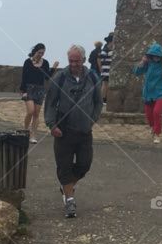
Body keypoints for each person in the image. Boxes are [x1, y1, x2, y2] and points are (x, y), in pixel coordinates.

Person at [44, 44, 103, 218]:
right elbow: (50, 103)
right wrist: (51, 125)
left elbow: (98, 102)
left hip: (84, 131)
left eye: (77, 61)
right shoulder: (59, 78)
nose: (73, 64)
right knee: (64, 167)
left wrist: (93, 119)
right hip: (64, 130)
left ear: (84, 60)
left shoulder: (93, 77)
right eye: (70, 60)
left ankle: (66, 185)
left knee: (85, 164)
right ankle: (70, 201)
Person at [133, 43, 162, 143]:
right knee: (149, 114)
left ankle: (157, 134)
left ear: (160, 55)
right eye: (154, 55)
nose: (156, 57)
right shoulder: (148, 63)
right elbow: (136, 72)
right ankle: (153, 127)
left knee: (156, 112)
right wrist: (142, 62)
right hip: (149, 93)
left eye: (158, 56)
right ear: (151, 55)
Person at [20, 43, 57, 143]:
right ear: (35, 51)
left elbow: (47, 77)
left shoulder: (45, 63)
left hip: (40, 89)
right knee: (30, 111)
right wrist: (23, 91)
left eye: (43, 53)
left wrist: (53, 68)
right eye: (39, 52)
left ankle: (33, 135)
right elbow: (24, 77)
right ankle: (25, 130)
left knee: (36, 113)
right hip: (29, 88)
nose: (41, 54)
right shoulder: (28, 62)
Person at [99, 33, 113, 105]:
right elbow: (100, 58)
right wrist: (101, 68)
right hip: (105, 69)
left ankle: (105, 99)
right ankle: (102, 99)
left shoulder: (109, 49)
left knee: (107, 84)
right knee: (105, 84)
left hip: (109, 69)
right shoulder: (105, 49)